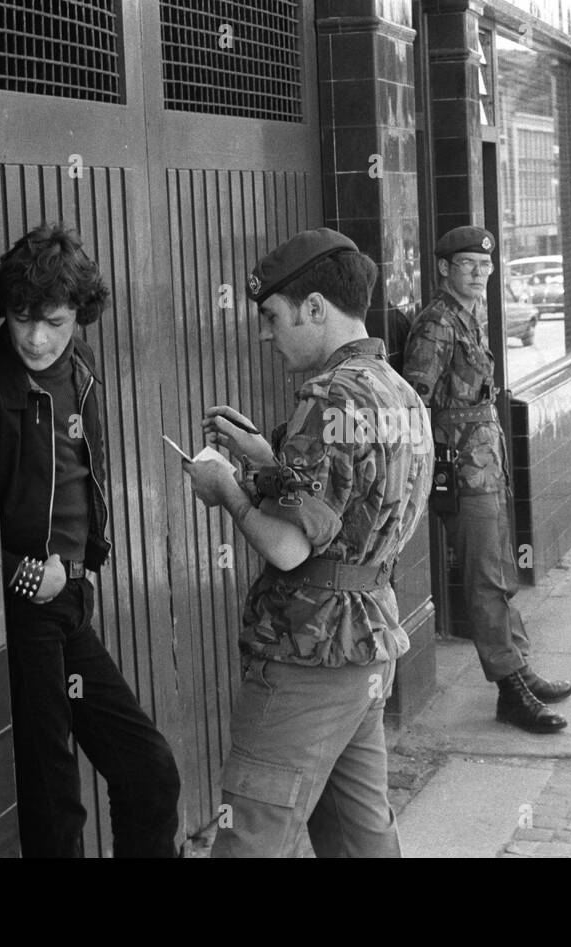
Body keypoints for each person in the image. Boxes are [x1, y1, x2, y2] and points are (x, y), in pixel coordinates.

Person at [185, 227, 431, 857]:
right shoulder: (398, 392)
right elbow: (351, 507)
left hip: (307, 658)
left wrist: (228, 491)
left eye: (273, 317)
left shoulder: (326, 397)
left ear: (316, 309)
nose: (266, 334)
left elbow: (291, 547)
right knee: (359, 836)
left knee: (251, 836)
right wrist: (268, 461)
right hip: (367, 643)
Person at [0, 224, 181, 857]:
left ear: (80, 317)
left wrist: (87, 561)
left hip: (71, 600)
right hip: (24, 612)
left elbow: (84, 469)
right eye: (22, 318)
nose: (36, 338)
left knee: (148, 771)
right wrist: (25, 571)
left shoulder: (82, 368)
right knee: (55, 804)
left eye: (56, 321)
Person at [401, 226, 571, 733]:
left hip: (486, 462)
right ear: (443, 269)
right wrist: (432, 472)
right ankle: (510, 690)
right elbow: (415, 403)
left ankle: (517, 665)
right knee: (483, 579)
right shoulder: (436, 325)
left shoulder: (468, 316)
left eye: (486, 265)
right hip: (462, 470)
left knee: (498, 572)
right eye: (468, 264)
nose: (480, 273)